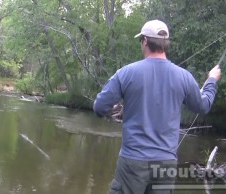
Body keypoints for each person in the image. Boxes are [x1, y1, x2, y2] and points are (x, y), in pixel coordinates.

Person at [93, 19, 221, 194]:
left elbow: (99, 107)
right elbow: (204, 105)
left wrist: (121, 109)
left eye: (141, 41)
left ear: (145, 41)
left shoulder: (126, 73)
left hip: (133, 162)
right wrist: (212, 80)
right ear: (165, 44)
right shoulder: (184, 77)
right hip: (165, 165)